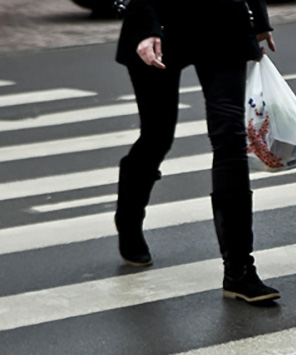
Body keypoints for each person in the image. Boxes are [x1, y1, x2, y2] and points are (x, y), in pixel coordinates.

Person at [114, 0, 280, 303]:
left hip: (222, 22)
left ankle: (240, 270)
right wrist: (144, 26)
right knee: (157, 136)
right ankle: (128, 219)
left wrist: (258, 16)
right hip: (159, 24)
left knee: (230, 136)